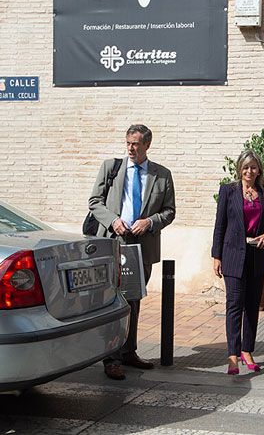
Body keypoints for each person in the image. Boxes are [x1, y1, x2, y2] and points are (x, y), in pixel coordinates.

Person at [89, 124, 176, 380]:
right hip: (114, 240)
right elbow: (95, 202)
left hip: (142, 245)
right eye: (128, 142)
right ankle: (111, 358)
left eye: (136, 143)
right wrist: (113, 220)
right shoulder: (111, 168)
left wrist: (150, 222)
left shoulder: (162, 175)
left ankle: (128, 352)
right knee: (113, 299)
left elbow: (170, 211)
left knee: (134, 299)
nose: (130, 148)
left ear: (147, 145)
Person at [212, 150, 264, 375]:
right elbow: (220, 225)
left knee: (252, 306)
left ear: (259, 169)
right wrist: (216, 256)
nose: (250, 171)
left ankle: (247, 350)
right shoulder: (228, 191)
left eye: (254, 167)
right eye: (246, 167)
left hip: (257, 256)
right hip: (232, 255)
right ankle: (233, 355)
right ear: (240, 168)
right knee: (234, 305)